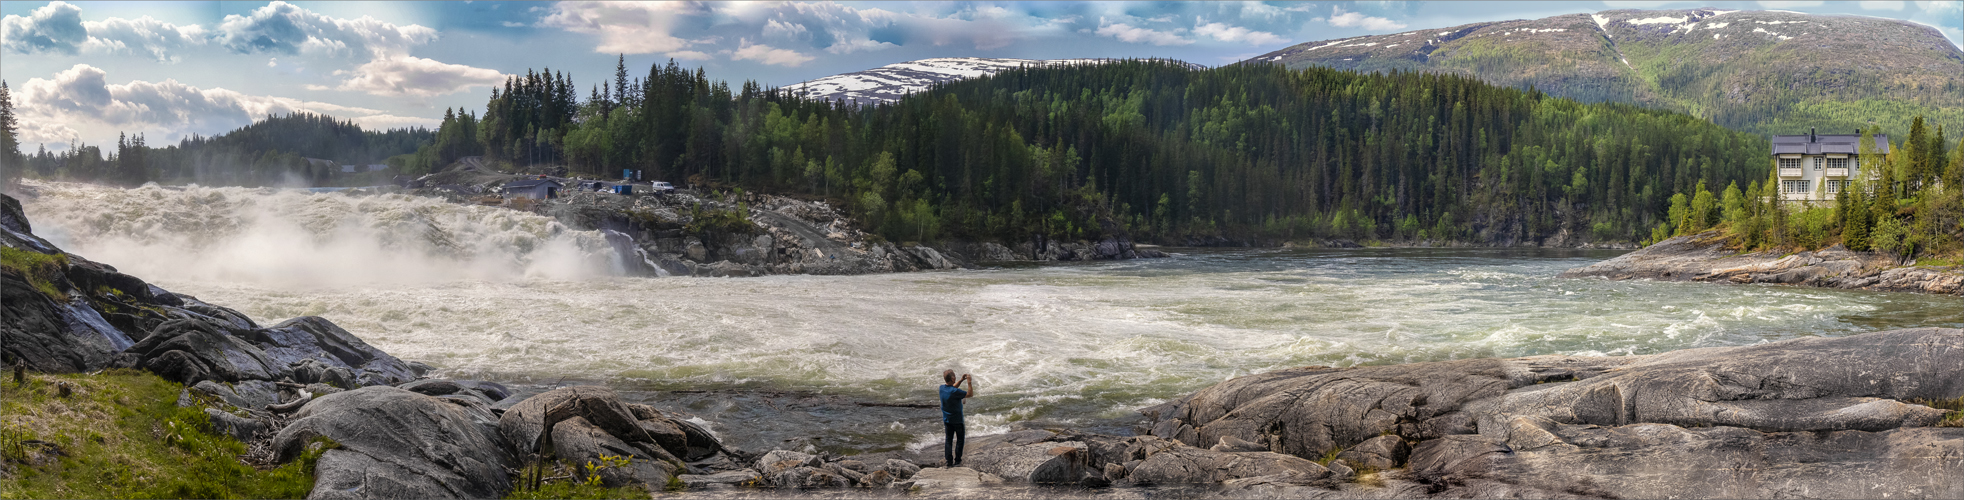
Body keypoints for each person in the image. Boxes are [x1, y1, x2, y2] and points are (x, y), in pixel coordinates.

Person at [938, 369, 975, 467]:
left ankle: (949, 462)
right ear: (953, 378)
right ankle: (957, 461)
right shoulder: (955, 391)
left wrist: (961, 380)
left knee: (948, 440)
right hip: (957, 420)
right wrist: (969, 382)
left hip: (947, 420)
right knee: (960, 440)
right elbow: (970, 394)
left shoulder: (942, 388)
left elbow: (952, 388)